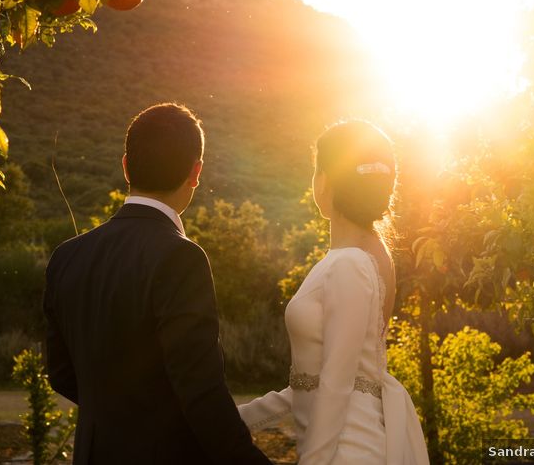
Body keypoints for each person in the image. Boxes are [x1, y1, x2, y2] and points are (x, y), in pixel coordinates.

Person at [43, 103, 272, 465]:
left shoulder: (67, 256)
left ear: (125, 166)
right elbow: (200, 391)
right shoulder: (181, 258)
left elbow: (59, 372)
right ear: (195, 172)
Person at [238, 120, 429, 465]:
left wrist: (312, 461)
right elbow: (311, 383)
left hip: (349, 452)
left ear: (323, 180)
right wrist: (239, 418)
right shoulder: (354, 259)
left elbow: (337, 383)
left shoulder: (351, 264)